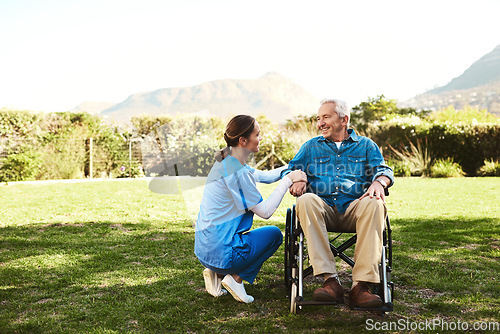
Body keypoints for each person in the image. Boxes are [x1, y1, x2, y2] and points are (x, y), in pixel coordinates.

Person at [282, 98, 394, 308]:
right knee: (305, 200)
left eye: (326, 117)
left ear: (344, 120)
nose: (320, 123)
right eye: (318, 118)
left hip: (355, 208)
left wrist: (379, 183)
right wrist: (297, 177)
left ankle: (361, 287)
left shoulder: (366, 145)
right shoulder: (311, 147)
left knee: (375, 203)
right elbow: (289, 169)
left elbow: (384, 170)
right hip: (321, 210)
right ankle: (330, 282)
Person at [195, 115, 307, 303]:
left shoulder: (227, 161)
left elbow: (265, 176)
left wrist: (292, 168)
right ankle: (235, 278)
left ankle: (214, 273)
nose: (260, 138)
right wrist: (289, 180)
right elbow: (265, 212)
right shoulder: (237, 172)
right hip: (222, 252)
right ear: (243, 140)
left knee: (235, 235)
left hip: (205, 250)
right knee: (274, 235)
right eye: (257, 134)